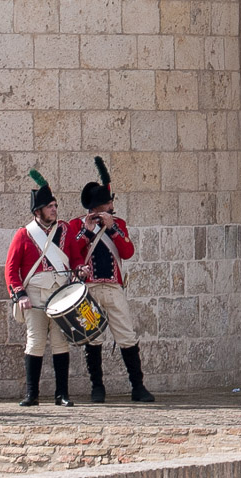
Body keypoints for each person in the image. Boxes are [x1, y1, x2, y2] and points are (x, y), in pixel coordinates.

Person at [66, 156, 154, 403]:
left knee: (126, 334)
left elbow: (127, 251)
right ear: (97, 207)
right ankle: (97, 388)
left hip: (113, 287)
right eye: (107, 204)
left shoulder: (119, 224)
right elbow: (73, 253)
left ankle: (138, 386)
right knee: (93, 338)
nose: (111, 206)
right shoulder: (77, 225)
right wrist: (88, 231)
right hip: (89, 288)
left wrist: (112, 228)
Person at [4, 169, 75, 407]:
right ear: (38, 211)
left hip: (61, 293)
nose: (54, 209)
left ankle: (61, 394)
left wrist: (80, 271)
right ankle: (31, 394)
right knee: (34, 342)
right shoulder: (23, 235)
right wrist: (19, 295)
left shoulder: (65, 230)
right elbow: (11, 270)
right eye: (49, 206)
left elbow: (74, 260)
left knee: (60, 342)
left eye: (55, 205)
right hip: (34, 295)